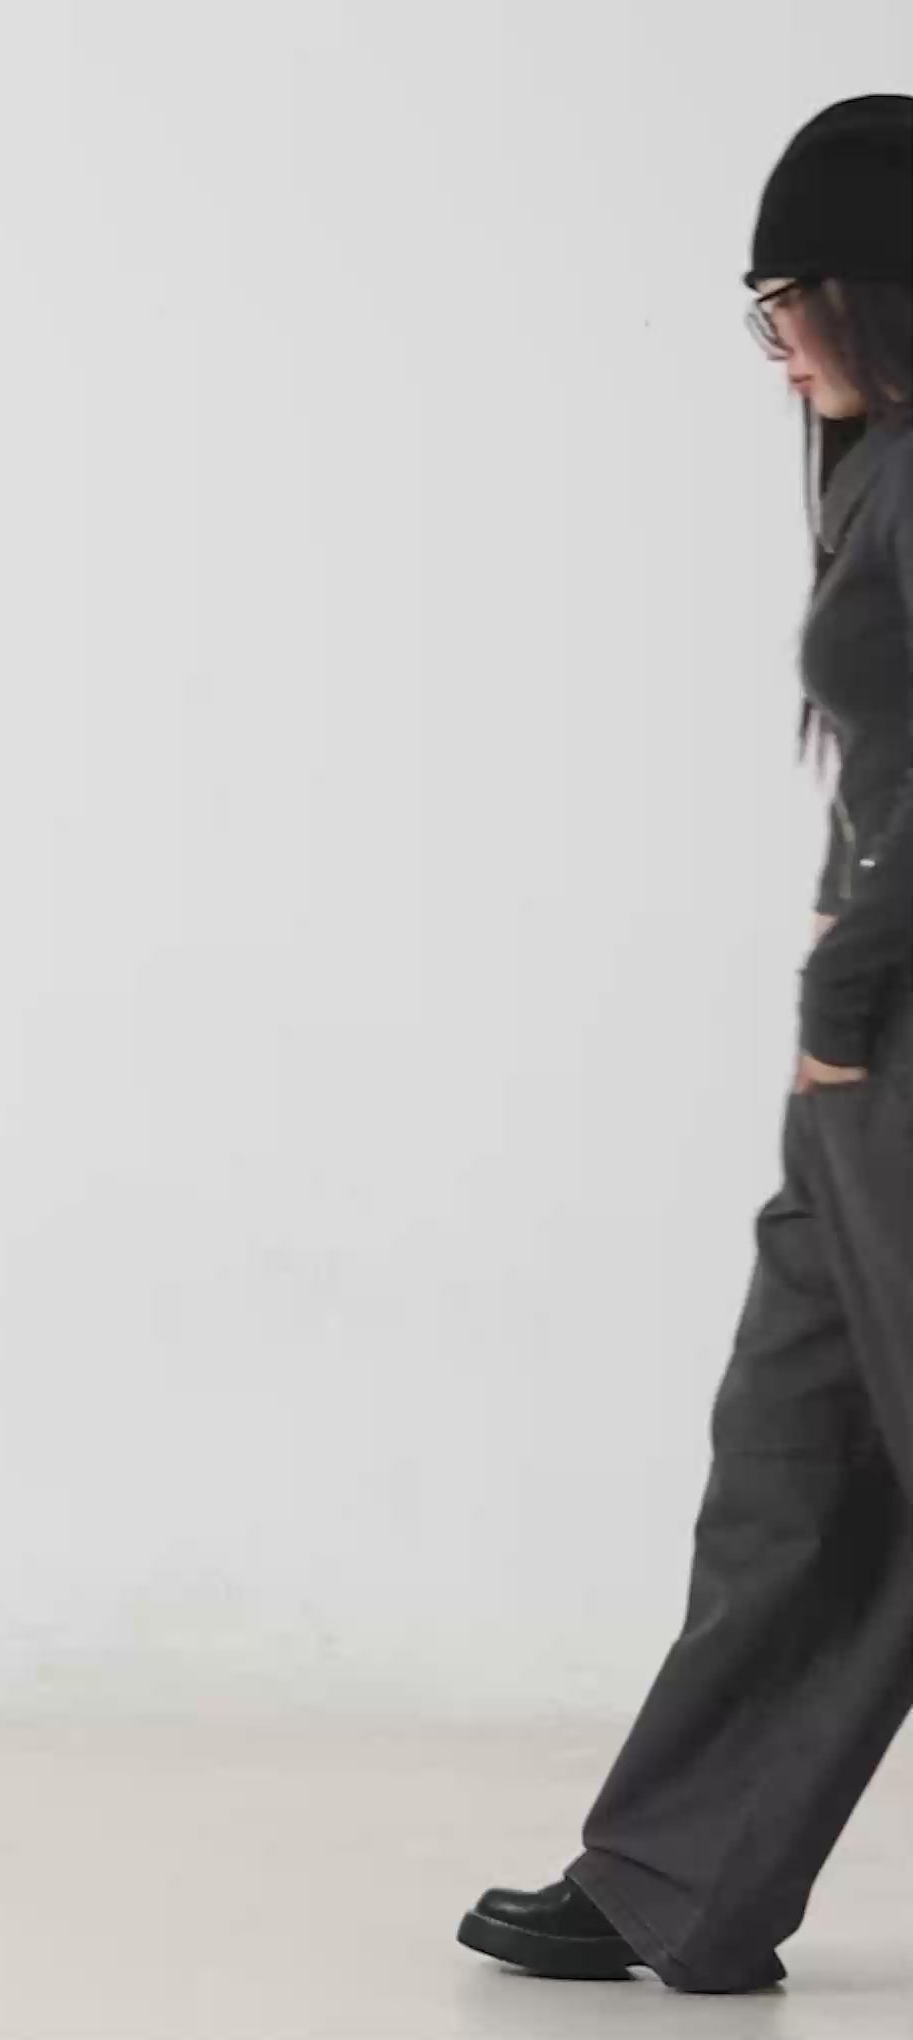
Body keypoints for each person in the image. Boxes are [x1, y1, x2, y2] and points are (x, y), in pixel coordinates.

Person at [456, 92, 913, 1996]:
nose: (775, 339)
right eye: (759, 307)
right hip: (867, 1068)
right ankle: (676, 1882)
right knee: (793, 1466)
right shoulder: (879, 468)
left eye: (793, 297)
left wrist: (840, 1002)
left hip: (885, 1046)